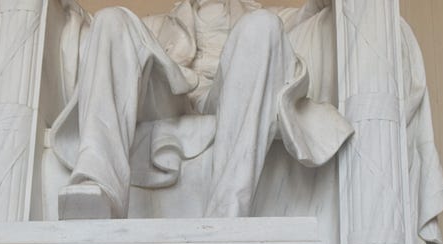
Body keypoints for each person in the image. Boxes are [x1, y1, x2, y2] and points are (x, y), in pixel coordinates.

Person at [51, 0, 354, 219]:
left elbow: (320, 9)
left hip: (231, 97)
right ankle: (98, 186)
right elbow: (84, 29)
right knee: (111, 19)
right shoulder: (159, 25)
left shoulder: (270, 16)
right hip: (172, 92)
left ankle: (227, 213)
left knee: (263, 26)